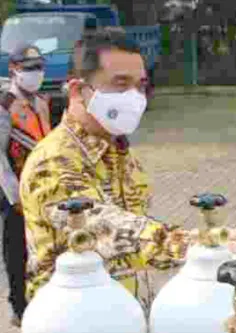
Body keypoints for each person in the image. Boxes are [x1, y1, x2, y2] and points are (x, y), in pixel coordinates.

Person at [18, 27, 208, 301]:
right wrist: (193, 246)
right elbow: (103, 229)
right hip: (69, 326)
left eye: (140, 86)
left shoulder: (122, 156)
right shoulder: (53, 161)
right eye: (121, 84)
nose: (135, 97)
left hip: (125, 320)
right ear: (77, 91)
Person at [0, 45, 51, 327]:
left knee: (42, 246)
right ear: (14, 69)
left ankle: (40, 296)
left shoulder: (42, 102)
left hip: (42, 188)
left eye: (39, 67)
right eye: (28, 68)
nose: (36, 74)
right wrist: (14, 195)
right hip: (14, 190)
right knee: (16, 249)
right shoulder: (5, 103)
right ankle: (18, 306)